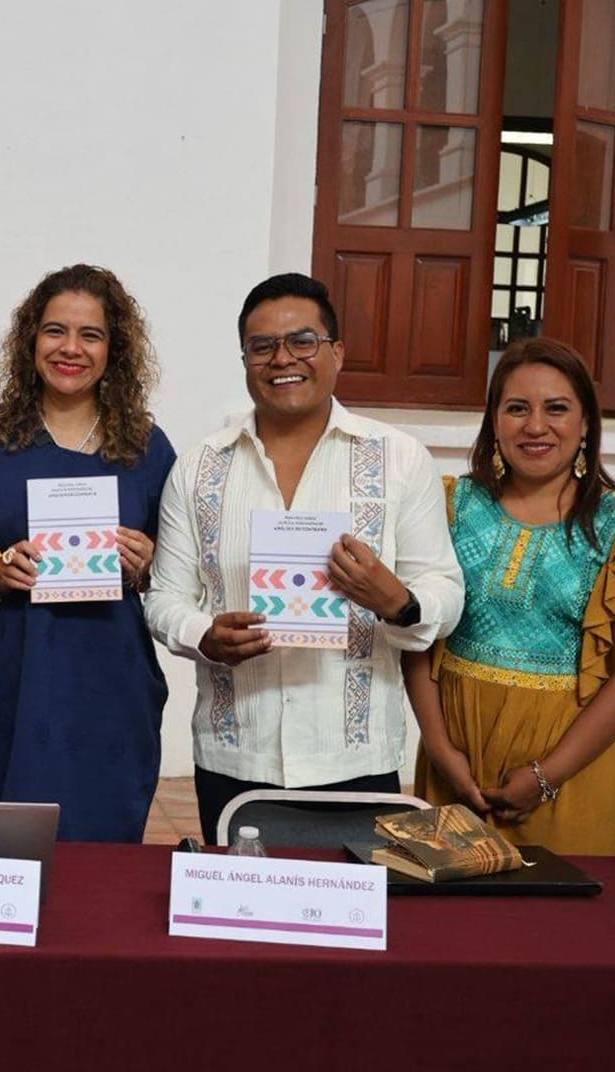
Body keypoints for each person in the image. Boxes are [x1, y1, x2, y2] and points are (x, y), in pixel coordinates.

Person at [145, 273, 464, 844]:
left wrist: (398, 601)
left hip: (355, 757)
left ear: (337, 352)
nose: (282, 358)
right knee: (242, 917)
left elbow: (443, 586)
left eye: (303, 341)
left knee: (350, 918)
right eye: (262, 346)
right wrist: (203, 634)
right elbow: (165, 597)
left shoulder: (399, 459)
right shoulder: (199, 467)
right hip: (236, 754)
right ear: (244, 359)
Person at [405, 338, 615, 854]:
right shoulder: (450, 505)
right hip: (456, 759)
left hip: (571, 771)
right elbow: (418, 631)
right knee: (446, 925)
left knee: (557, 926)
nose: (535, 426)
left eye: (557, 409)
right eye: (517, 408)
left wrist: (547, 775)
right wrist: (438, 747)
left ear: (586, 422)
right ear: (494, 420)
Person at [0, 264, 177, 841]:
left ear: (114, 349)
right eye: (55, 331)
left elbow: (181, 573)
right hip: (7, 680)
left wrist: (149, 562)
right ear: (31, 339)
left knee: (97, 859)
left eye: (90, 335)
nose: (70, 348)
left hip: (108, 682)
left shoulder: (147, 447)